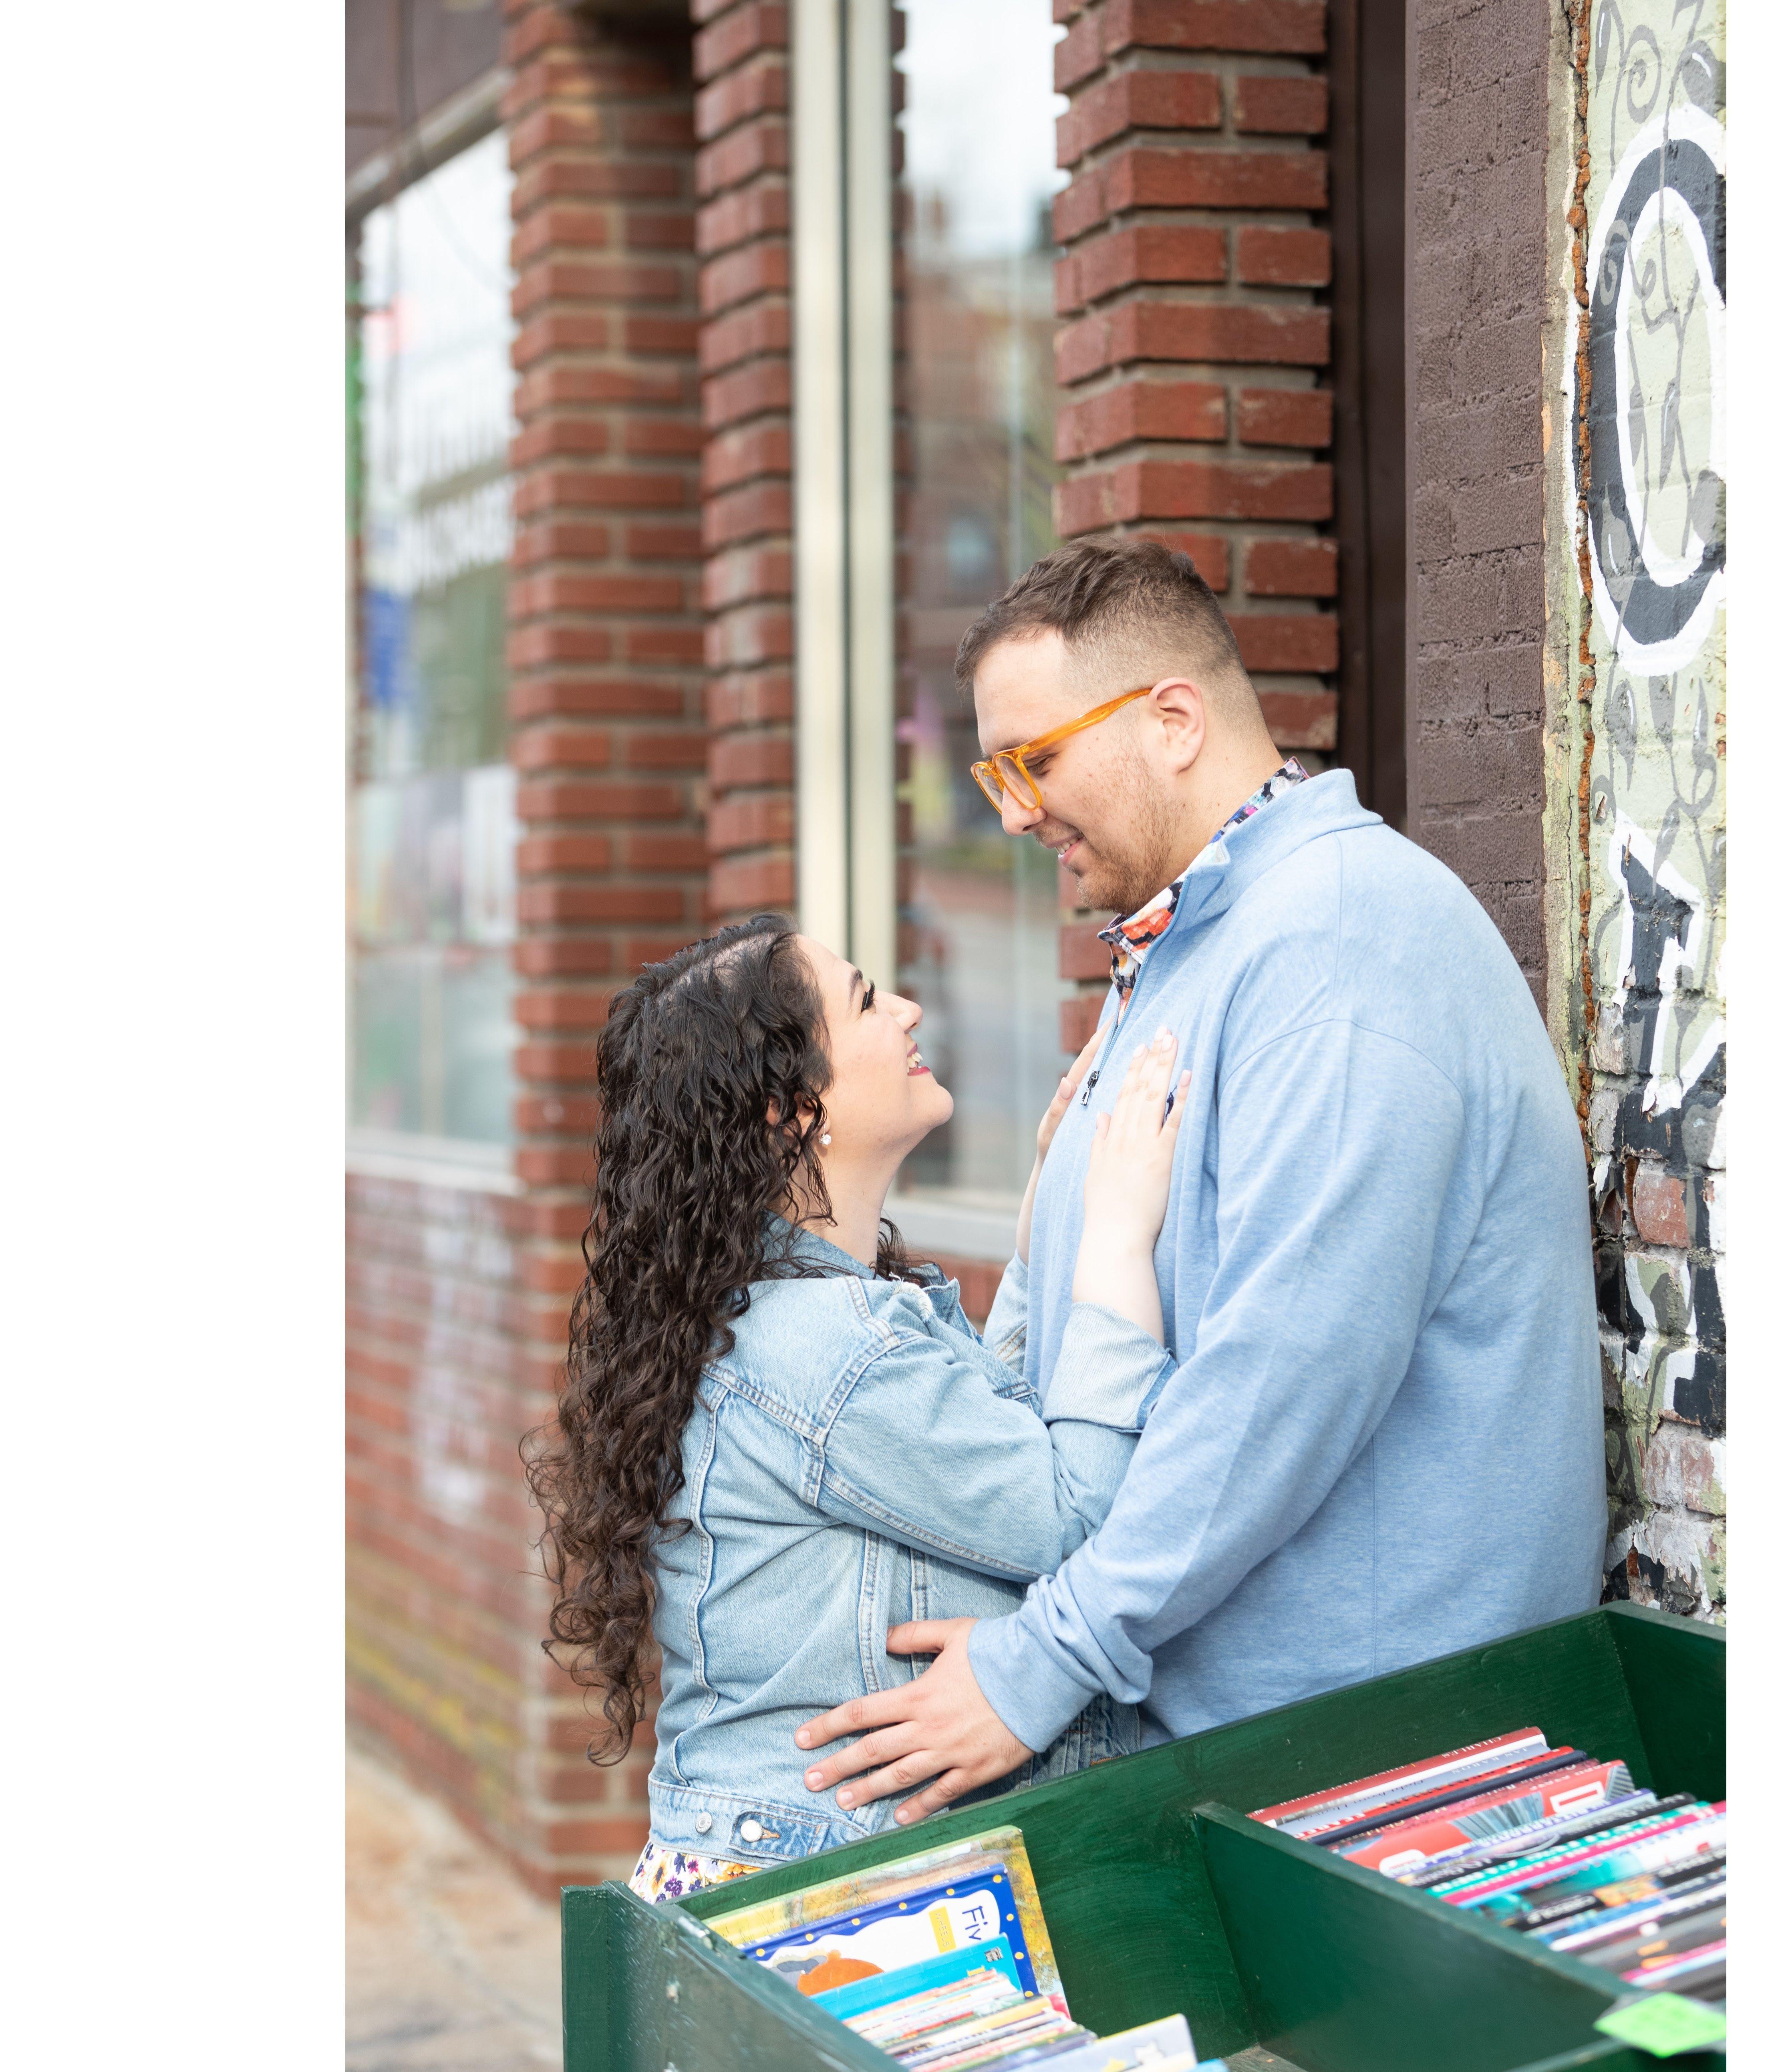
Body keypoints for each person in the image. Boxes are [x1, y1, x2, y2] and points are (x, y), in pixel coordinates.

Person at [793, 538, 1606, 1826]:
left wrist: (1041, 1660)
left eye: (1033, 761)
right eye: (994, 772)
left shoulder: (1339, 943)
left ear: (1172, 719)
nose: (1011, 812)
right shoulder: (1189, 948)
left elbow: (1283, 1378)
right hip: (1259, 1769)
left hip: (1383, 1783)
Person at [524, 916, 1191, 1898]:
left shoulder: (799, 1314)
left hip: (777, 1871)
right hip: (825, 1901)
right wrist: (1117, 1237)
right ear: (793, 1111)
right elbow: (1076, 1514)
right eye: (871, 1001)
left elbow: (971, 1437)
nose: (912, 1009)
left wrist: (1043, 1223)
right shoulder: (827, 1343)